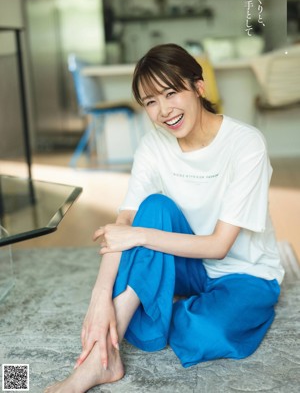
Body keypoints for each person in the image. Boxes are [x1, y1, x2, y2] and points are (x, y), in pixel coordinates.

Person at [45, 44, 284, 393]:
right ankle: (103, 360)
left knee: (205, 333)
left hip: (245, 273)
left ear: (198, 87)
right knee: (154, 208)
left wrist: (140, 239)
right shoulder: (153, 147)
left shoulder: (246, 144)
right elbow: (122, 224)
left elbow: (219, 246)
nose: (163, 111)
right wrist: (99, 298)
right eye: (151, 102)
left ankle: (157, 298)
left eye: (171, 93)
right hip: (191, 265)